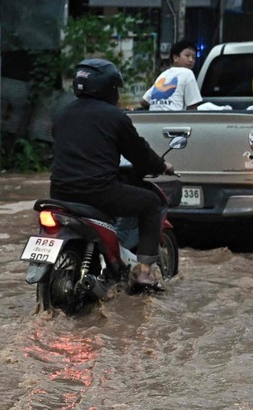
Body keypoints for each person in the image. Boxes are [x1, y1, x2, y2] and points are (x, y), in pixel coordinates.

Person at [49, 58, 172, 290]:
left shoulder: (61, 114)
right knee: (152, 203)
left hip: (59, 193)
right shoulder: (115, 117)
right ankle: (144, 273)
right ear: (109, 87)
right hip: (98, 193)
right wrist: (161, 166)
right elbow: (140, 154)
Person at [141, 38, 204, 111]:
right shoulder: (187, 73)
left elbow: (144, 101)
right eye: (187, 55)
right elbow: (192, 106)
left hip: (153, 119)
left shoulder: (163, 75)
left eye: (194, 58)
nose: (191, 60)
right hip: (174, 119)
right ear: (175, 58)